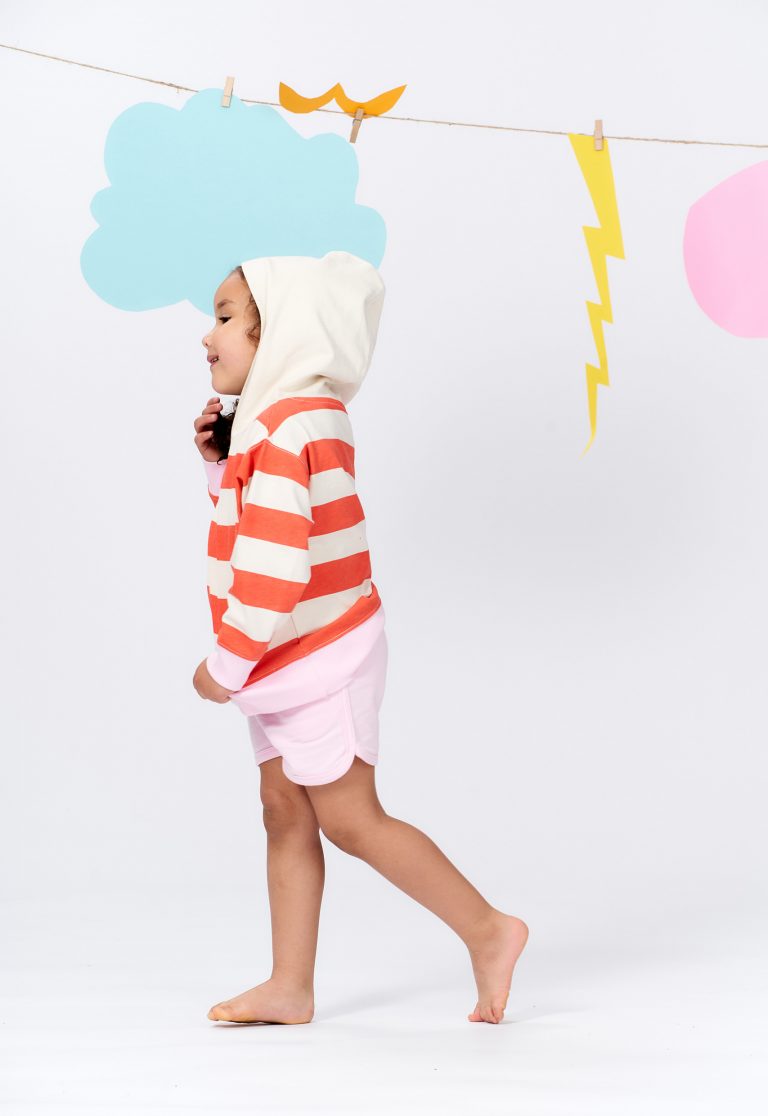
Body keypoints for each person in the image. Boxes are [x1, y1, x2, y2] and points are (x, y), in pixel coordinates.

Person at [192, 251, 529, 1026]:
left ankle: (488, 930)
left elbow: (275, 570)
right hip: (290, 655)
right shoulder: (289, 420)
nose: (207, 336)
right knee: (284, 807)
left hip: (318, 652)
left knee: (349, 818)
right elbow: (264, 526)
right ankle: (289, 985)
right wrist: (221, 465)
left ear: (283, 333)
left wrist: (224, 666)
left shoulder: (287, 428)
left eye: (225, 317)